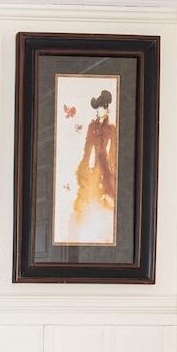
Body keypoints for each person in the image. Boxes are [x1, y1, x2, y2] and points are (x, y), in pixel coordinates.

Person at [69, 89, 118, 242]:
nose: (99, 111)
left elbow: (113, 150)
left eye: (102, 108)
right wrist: (86, 162)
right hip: (92, 162)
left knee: (105, 191)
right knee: (87, 189)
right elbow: (88, 146)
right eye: (97, 108)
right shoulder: (92, 126)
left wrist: (110, 167)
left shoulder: (112, 128)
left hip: (105, 164)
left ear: (107, 108)